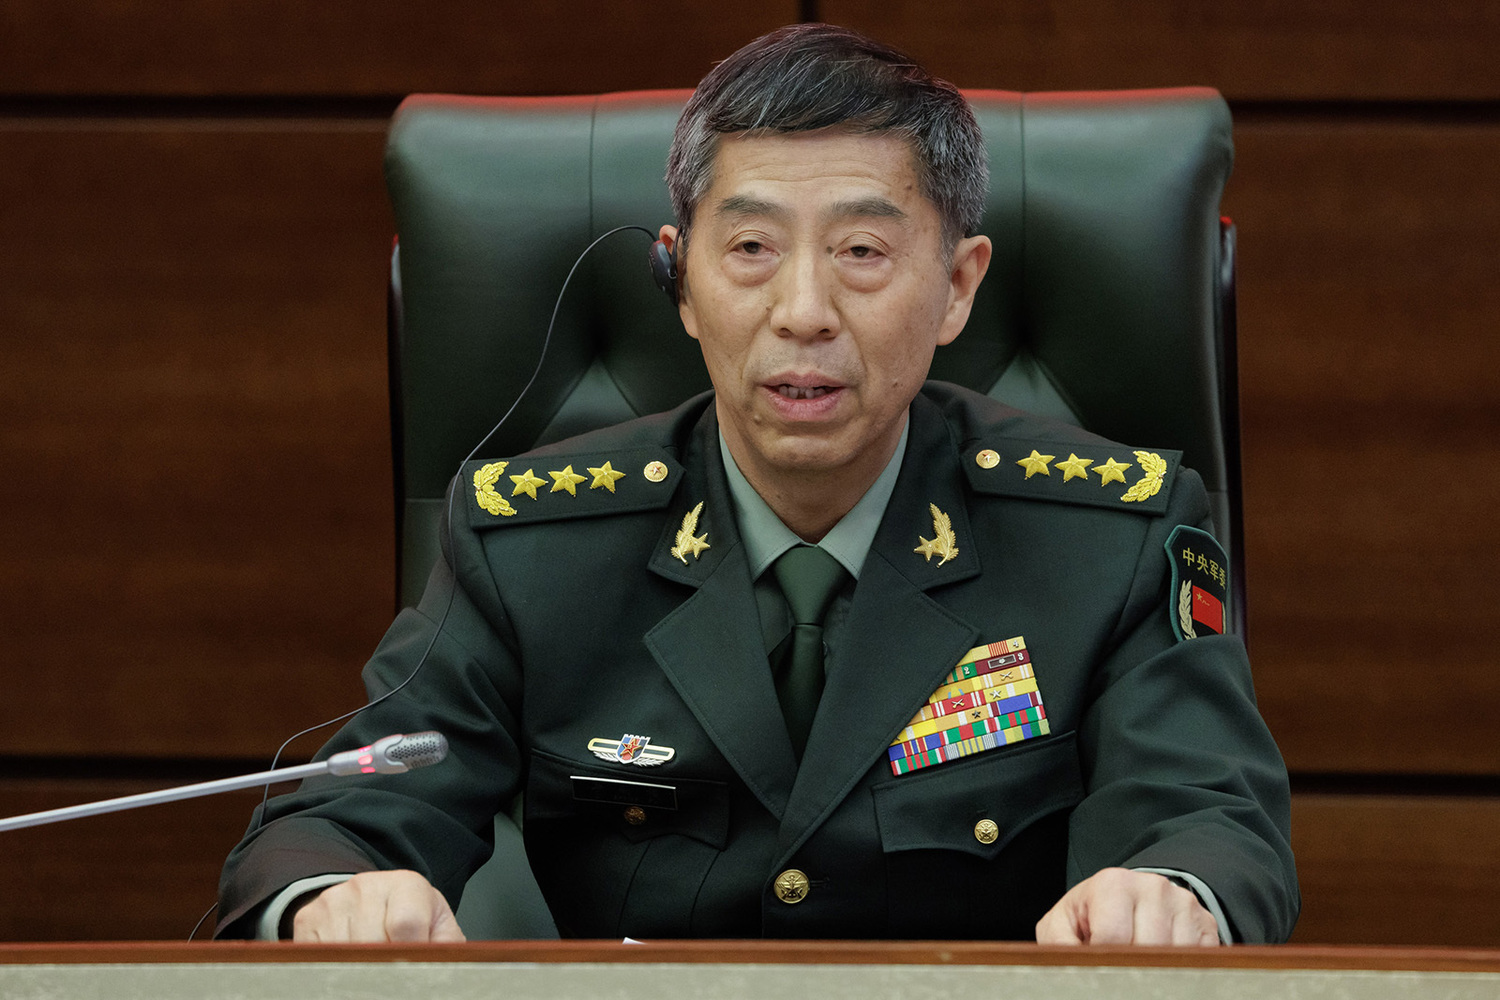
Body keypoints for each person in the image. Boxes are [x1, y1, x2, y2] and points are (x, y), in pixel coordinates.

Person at [217, 23, 1298, 945]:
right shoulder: (533, 547)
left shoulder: (1110, 536)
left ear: (959, 285)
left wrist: (1172, 892)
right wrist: (336, 894)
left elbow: (1212, 819)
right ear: (681, 281)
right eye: (750, 249)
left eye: (863, 251)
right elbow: (336, 825)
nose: (804, 312)